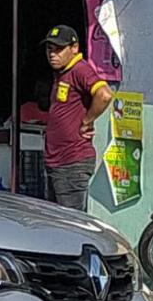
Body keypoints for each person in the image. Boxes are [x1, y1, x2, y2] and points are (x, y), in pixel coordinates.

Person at [42, 24, 114, 211]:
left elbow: (104, 95)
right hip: (57, 162)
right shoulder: (62, 74)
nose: (52, 54)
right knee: (54, 220)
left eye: (59, 49)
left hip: (71, 161)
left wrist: (87, 121)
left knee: (69, 223)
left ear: (74, 48)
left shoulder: (80, 70)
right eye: (50, 49)